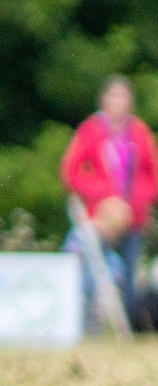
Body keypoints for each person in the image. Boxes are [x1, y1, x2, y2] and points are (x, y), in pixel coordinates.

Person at [61, 74, 158, 323]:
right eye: (114, 96)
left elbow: (152, 173)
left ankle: (127, 323)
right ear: (103, 100)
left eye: (123, 96)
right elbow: (71, 172)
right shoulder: (91, 130)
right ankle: (88, 320)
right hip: (101, 216)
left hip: (134, 216)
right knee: (95, 267)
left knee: (129, 272)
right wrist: (102, 193)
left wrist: (141, 199)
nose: (118, 102)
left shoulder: (139, 133)